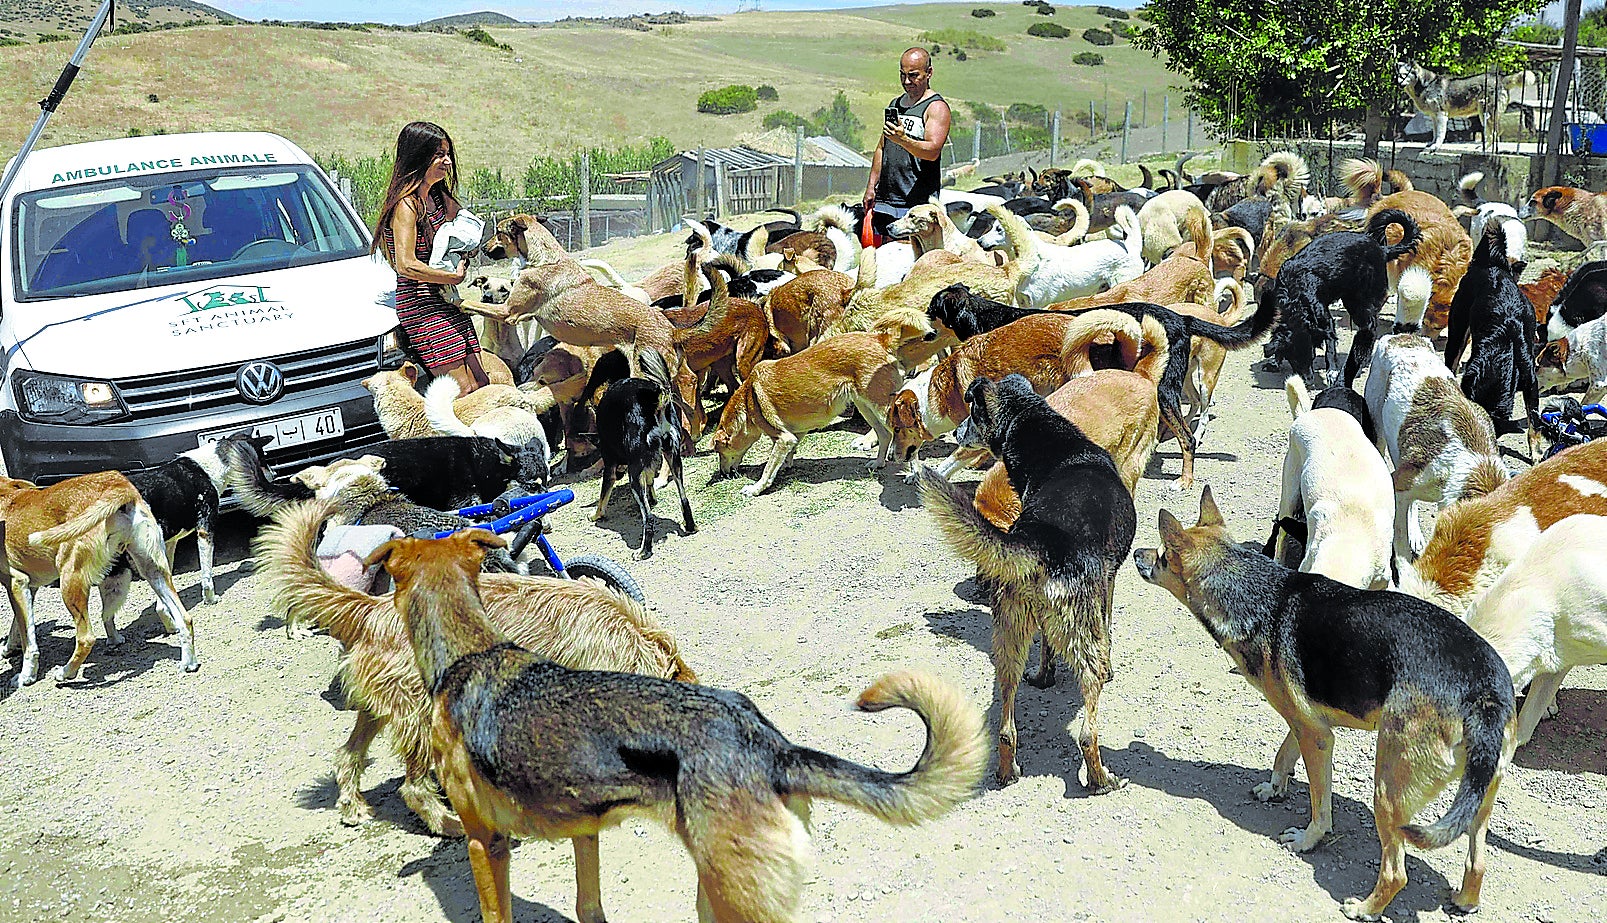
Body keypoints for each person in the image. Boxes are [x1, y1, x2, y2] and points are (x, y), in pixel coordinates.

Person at [371, 121, 489, 394]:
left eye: (448, 153)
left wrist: (466, 249)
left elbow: (465, 228)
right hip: (421, 304)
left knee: (481, 383)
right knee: (463, 391)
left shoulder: (438, 196)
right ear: (417, 157)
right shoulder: (407, 205)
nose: (447, 161)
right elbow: (406, 264)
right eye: (438, 155)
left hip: (445, 297)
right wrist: (453, 276)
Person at [863, 47, 952, 241]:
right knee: (886, 255)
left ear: (929, 73)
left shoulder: (936, 107)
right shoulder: (896, 104)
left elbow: (932, 151)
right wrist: (871, 186)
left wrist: (903, 140)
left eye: (913, 76)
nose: (906, 82)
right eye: (902, 75)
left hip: (916, 204)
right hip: (886, 199)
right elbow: (882, 147)